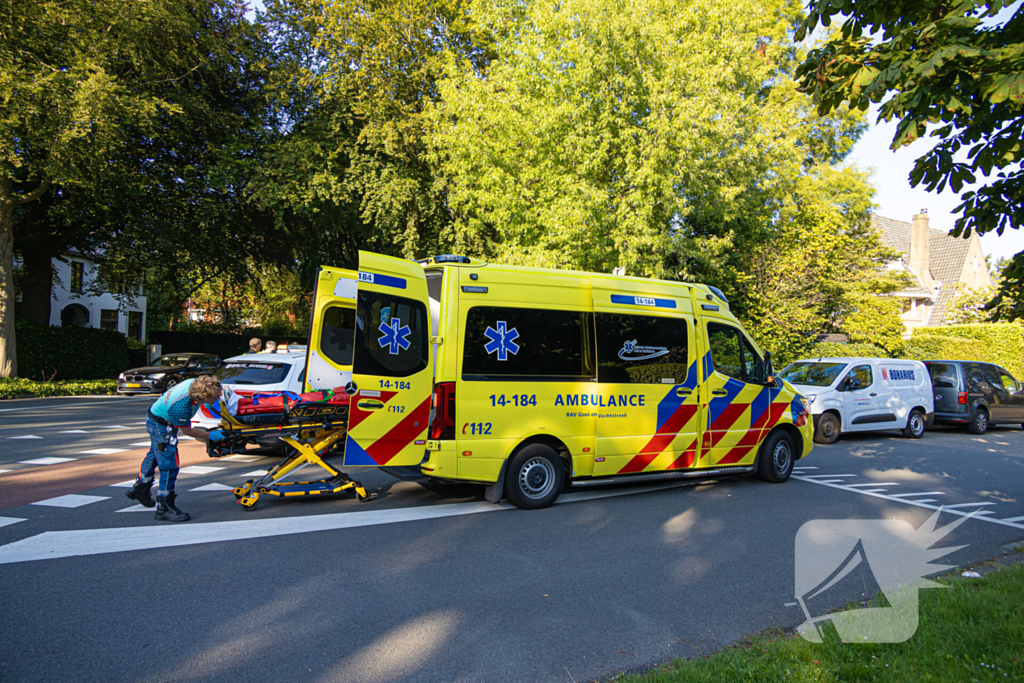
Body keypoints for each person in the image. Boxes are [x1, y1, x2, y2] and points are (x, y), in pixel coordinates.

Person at [125, 375, 223, 522]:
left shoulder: (195, 383)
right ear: (202, 397)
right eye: (215, 397)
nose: (218, 398)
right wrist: (210, 435)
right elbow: (188, 431)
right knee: (169, 463)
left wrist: (210, 403)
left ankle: (140, 488)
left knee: (156, 453)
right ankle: (164, 506)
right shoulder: (181, 407)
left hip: (156, 416)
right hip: (161, 424)